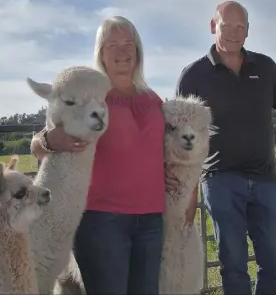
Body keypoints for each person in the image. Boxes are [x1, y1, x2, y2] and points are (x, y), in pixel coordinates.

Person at [176, 1, 276, 295]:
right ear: (213, 26)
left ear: (248, 30)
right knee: (233, 263)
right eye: (226, 26)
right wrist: (188, 193)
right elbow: (183, 137)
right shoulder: (193, 76)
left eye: (240, 27)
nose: (234, 33)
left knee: (275, 261)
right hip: (220, 179)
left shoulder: (266, 67)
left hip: (265, 180)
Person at [30, 16, 178, 295]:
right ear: (101, 52)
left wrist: (166, 167)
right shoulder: (89, 96)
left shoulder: (152, 98)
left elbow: (154, 146)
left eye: (128, 43)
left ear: (138, 50)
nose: (123, 52)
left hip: (151, 220)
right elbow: (38, 146)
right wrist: (51, 139)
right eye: (113, 45)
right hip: (103, 221)